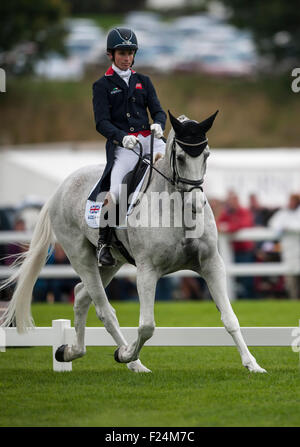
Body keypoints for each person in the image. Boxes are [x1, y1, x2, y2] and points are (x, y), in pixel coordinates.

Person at [92, 27, 167, 267]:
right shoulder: (102, 85)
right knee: (114, 193)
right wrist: (120, 136)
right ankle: (104, 241)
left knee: (178, 166)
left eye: (130, 53)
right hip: (124, 146)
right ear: (111, 54)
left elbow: (157, 110)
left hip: (149, 140)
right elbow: (101, 122)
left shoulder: (144, 81)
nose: (126, 58)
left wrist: (158, 124)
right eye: (122, 53)